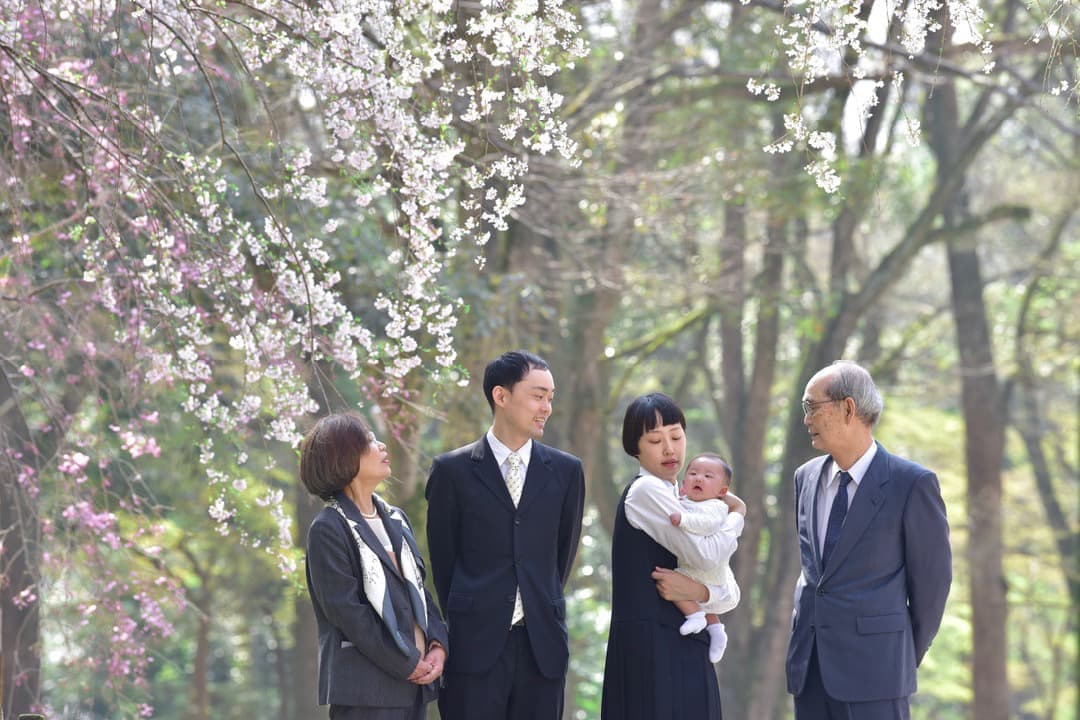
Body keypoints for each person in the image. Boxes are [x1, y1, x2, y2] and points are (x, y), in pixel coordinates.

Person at [425, 350, 586, 720]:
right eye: (537, 395)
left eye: (550, 397)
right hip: (473, 648)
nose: (546, 407)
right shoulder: (452, 472)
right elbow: (444, 563)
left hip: (542, 647)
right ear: (501, 396)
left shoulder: (566, 472)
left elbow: (561, 557)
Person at [787, 360, 952, 719]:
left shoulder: (911, 484)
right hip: (809, 672)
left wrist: (898, 653)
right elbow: (815, 577)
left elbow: (932, 587)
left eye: (811, 406)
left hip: (878, 676)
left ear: (848, 408)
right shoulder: (805, 478)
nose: (806, 419)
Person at [602, 392, 744, 720]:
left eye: (677, 436)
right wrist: (738, 514)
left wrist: (700, 592)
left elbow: (729, 593)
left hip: (681, 646)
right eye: (655, 440)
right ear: (634, 447)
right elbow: (708, 558)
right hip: (652, 651)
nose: (670, 449)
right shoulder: (647, 492)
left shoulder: (684, 499)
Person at [301, 413, 448, 720]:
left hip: (414, 688)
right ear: (342, 457)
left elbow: (420, 592)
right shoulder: (328, 528)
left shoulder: (395, 518)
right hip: (366, 692)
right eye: (368, 441)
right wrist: (406, 661)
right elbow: (348, 614)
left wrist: (437, 645)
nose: (381, 445)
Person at [667, 452, 745, 663]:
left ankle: (695, 616)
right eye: (693, 473)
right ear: (684, 483)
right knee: (699, 601)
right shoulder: (685, 501)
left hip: (708, 571)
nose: (699, 478)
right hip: (698, 568)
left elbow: (706, 523)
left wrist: (683, 519)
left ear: (722, 492)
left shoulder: (716, 507)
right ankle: (716, 630)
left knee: (673, 581)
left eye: (708, 476)